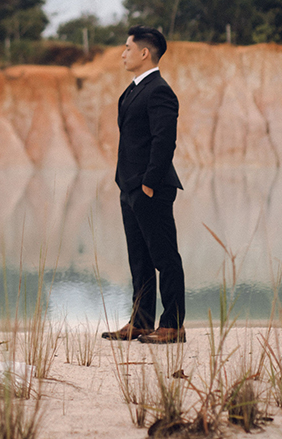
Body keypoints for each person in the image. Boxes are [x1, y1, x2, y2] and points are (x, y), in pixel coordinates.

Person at [101, 25, 186, 344]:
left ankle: (173, 325)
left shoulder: (159, 90)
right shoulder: (135, 88)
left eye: (127, 48)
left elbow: (164, 141)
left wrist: (149, 183)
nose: (122, 53)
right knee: (139, 257)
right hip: (131, 187)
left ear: (144, 53)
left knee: (165, 257)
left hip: (151, 187)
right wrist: (129, 185)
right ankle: (141, 321)